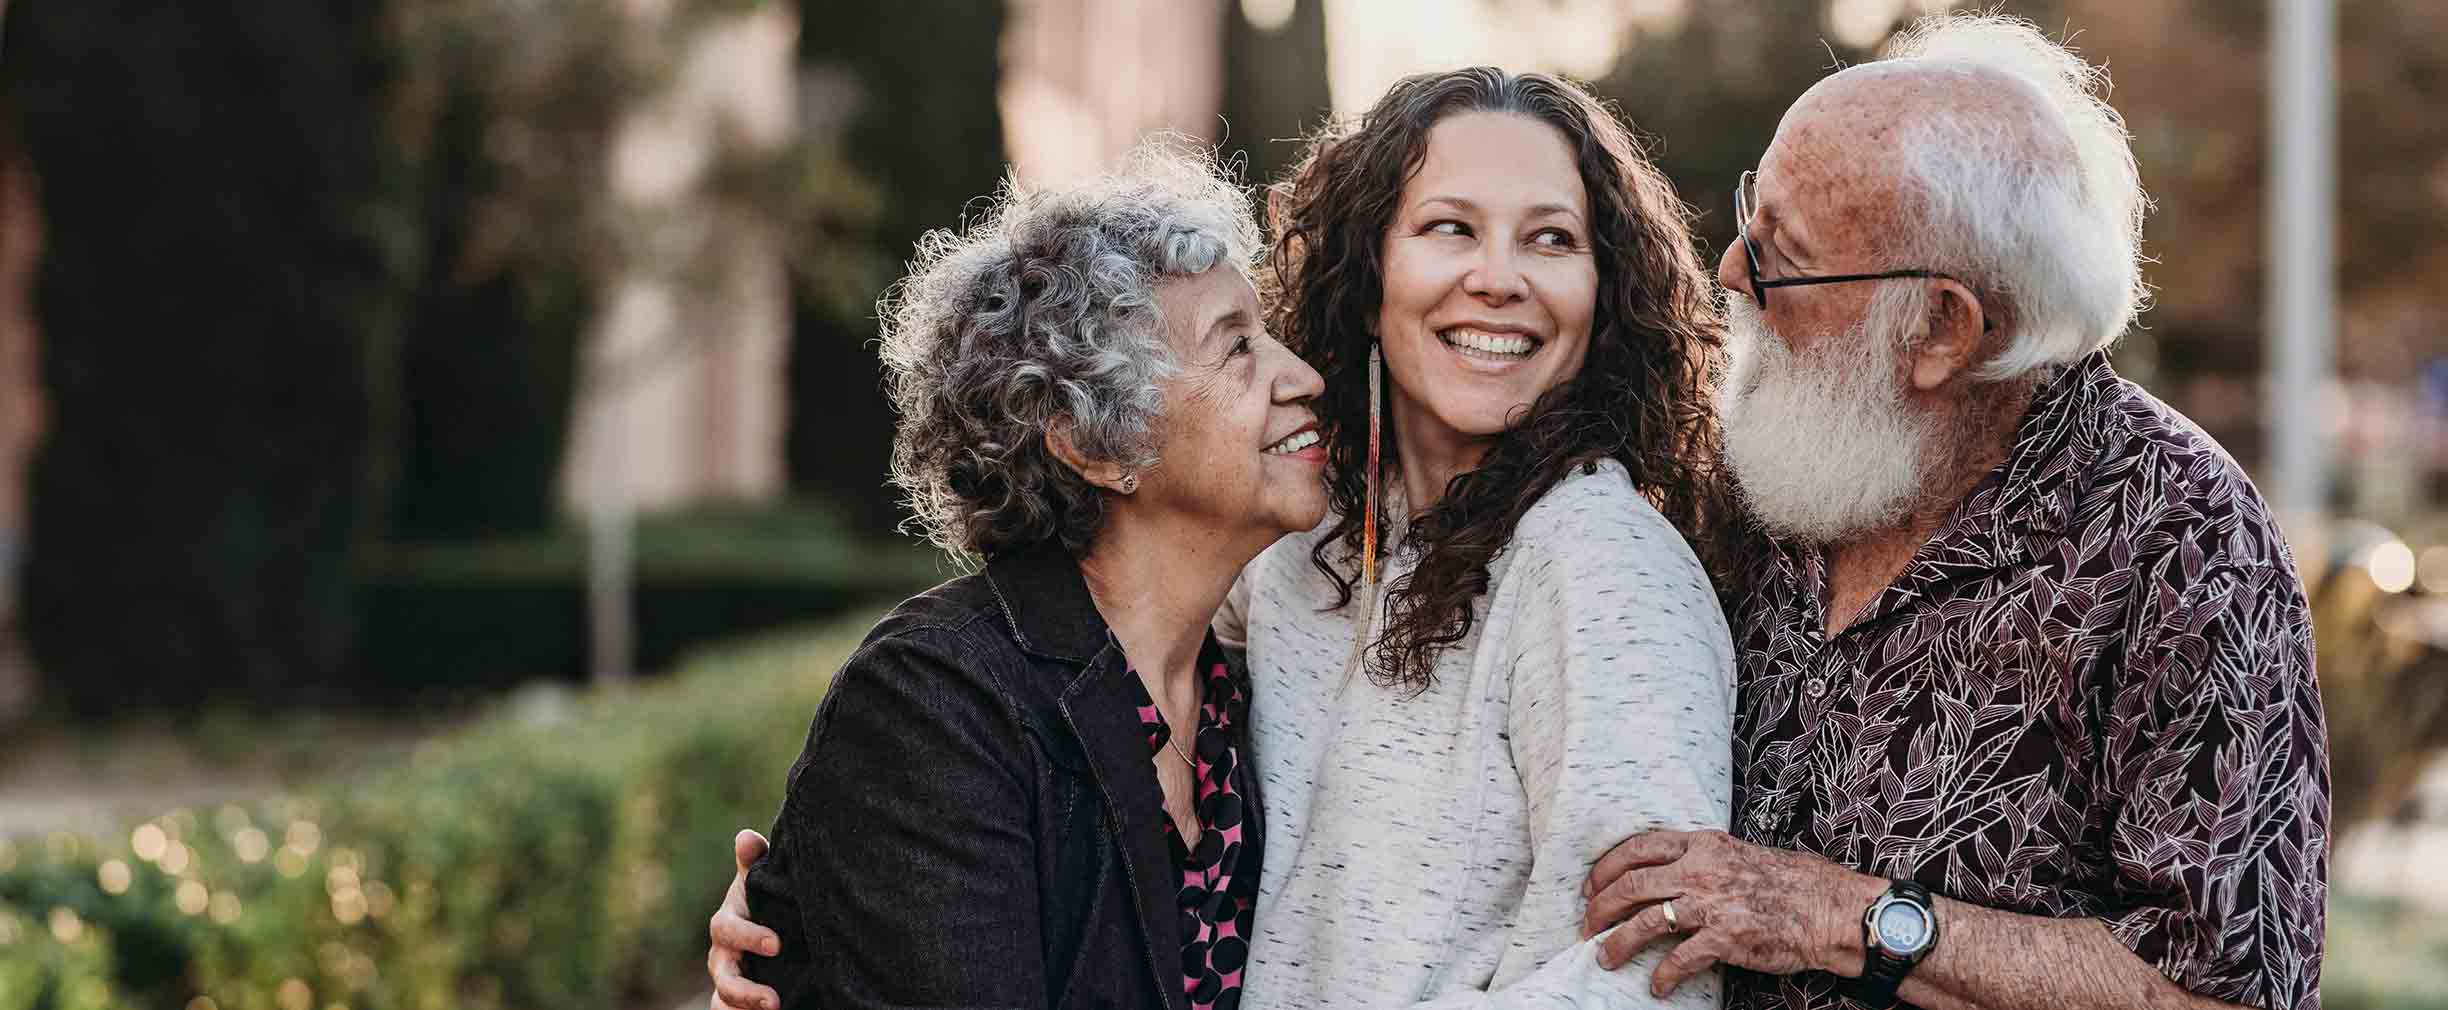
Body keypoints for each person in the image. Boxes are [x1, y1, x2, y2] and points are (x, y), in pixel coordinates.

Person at [712, 68, 1741, 1010]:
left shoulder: (1601, 560)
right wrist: (806, 915)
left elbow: (1653, 976)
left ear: (1606, 288)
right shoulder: (1297, 549)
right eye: (1450, 228)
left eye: (1553, 238)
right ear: (1369, 265)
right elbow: (1072, 632)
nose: (1501, 278)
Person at [1576, 15, 2329, 1010]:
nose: (1730, 273)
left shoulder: (2184, 541)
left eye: (1780, 255)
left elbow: (2227, 991)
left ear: (1943, 328)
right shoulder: (1759, 453)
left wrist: (1841, 914)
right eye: (1752, 210)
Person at [734, 145, 1330, 1010]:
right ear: (1095, 445)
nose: (1304, 378)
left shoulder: (1247, 694)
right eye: (1237, 348)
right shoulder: (935, 705)